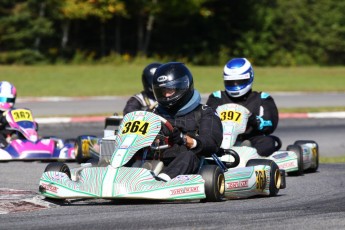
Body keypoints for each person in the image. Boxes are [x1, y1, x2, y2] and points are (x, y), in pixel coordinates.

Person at [151, 62, 223, 181]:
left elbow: (211, 142)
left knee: (189, 155)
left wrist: (184, 139)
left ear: (183, 87)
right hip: (160, 158)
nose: (166, 95)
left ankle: (162, 181)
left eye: (170, 90)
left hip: (191, 163)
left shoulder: (204, 112)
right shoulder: (156, 113)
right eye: (162, 91)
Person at [206, 58, 279, 157]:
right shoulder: (217, 97)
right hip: (221, 139)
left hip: (250, 139)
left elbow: (269, 125)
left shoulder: (262, 98)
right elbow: (207, 120)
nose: (235, 85)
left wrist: (253, 118)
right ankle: (218, 154)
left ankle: (249, 154)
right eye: (231, 82)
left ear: (250, 77)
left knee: (268, 142)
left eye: (239, 81)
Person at [0, 81, 17, 148]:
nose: (6, 102)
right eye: (2, 99)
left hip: (7, 134)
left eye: (9, 99)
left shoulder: (13, 111)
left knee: (18, 132)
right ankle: (7, 148)